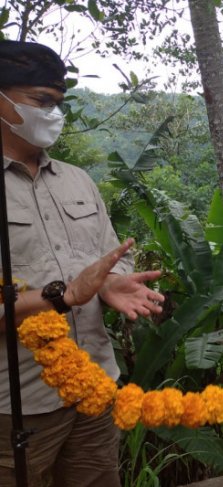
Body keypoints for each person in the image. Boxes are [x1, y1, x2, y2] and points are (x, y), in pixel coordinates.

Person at [0, 40, 165, 486]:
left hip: (94, 386)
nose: (54, 114)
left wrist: (110, 282)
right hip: (16, 404)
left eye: (59, 104)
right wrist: (63, 296)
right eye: (42, 101)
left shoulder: (77, 180)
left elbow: (111, 255)